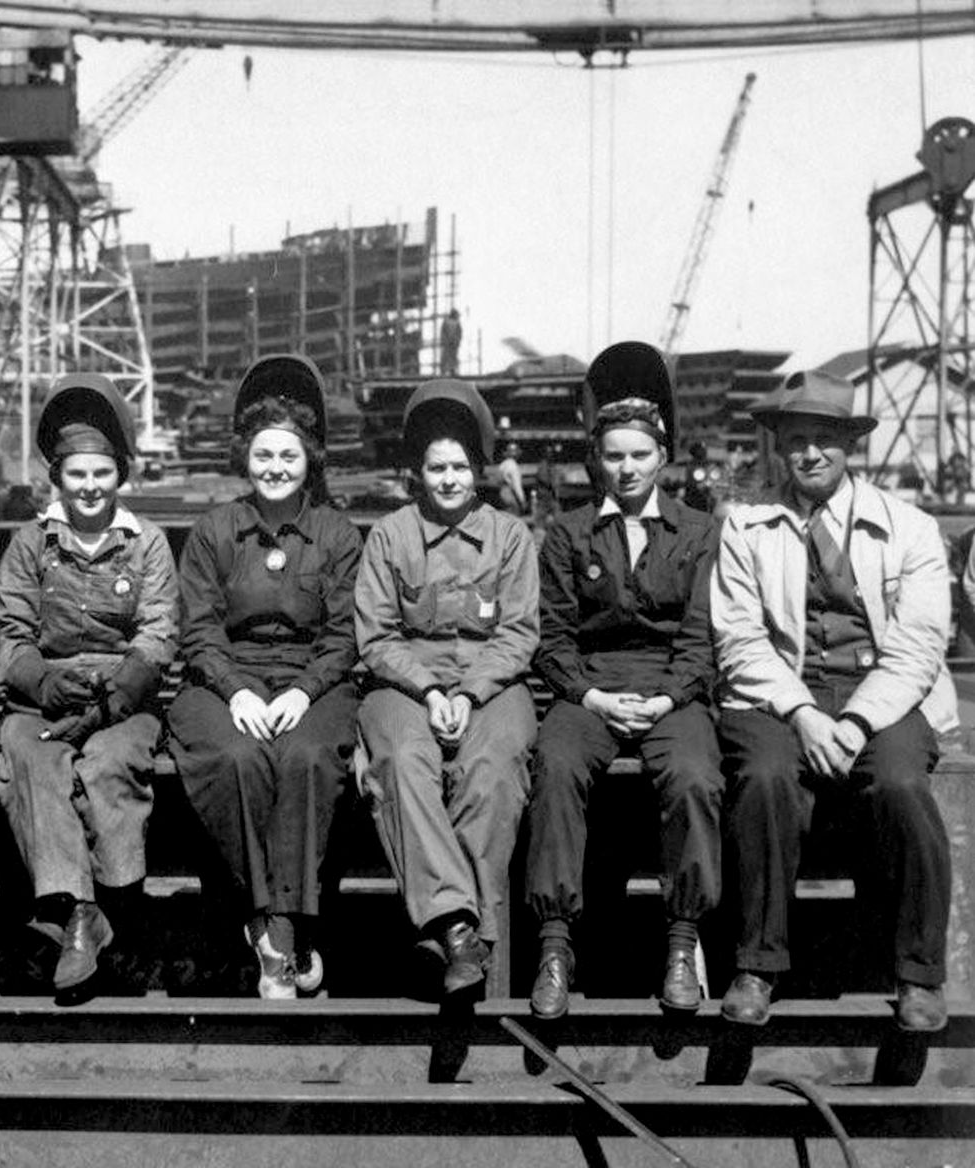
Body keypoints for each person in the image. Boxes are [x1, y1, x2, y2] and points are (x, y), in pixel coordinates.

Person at [711, 370, 956, 1032]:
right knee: (763, 779)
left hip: (883, 691)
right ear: (778, 448)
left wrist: (851, 721)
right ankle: (758, 966)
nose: (810, 453)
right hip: (778, 692)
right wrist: (803, 713)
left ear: (850, 446)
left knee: (902, 784)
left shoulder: (909, 528)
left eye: (824, 439)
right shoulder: (745, 527)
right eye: (796, 440)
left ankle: (919, 976)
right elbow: (739, 638)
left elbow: (918, 648)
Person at [524, 341, 723, 1020]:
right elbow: (552, 640)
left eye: (639, 454)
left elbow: (703, 636)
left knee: (694, 774)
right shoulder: (567, 534)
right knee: (554, 764)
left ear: (661, 457)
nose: (627, 468)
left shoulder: (699, 533)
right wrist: (591, 697)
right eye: (614, 455)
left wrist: (668, 697)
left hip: (675, 689)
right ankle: (555, 945)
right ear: (597, 459)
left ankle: (681, 940)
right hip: (592, 687)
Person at [168, 355, 362, 999]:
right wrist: (237, 690)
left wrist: (306, 691)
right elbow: (197, 629)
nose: (275, 468)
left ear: (310, 461)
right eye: (262, 455)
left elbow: (343, 634)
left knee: (309, 756)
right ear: (244, 459)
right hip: (225, 680)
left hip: (314, 680)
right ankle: (271, 927)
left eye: (288, 456)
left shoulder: (336, 534)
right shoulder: (214, 531)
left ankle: (284, 924)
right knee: (234, 757)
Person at [0, 373, 178, 996]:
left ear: (119, 474)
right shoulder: (30, 545)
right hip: (45, 695)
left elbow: (157, 634)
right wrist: (44, 686)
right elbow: (11, 636)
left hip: (124, 700)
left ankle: (119, 910)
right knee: (33, 758)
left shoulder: (146, 543)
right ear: (58, 479)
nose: (90, 487)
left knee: (108, 764)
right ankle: (76, 913)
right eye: (77, 475)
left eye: (102, 473)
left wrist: (113, 699)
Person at [355, 380, 539, 1000]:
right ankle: (462, 927)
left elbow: (518, 634)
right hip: (405, 683)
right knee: (401, 761)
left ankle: (455, 938)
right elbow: (377, 637)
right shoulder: (391, 536)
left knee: (495, 766)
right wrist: (433, 691)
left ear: (479, 471)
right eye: (436, 468)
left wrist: (472, 692)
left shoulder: (511, 537)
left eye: (460, 466)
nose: (449, 479)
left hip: (494, 682)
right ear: (418, 472)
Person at [496, 441, 526, 515]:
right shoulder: (513, 466)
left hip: (502, 493)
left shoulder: (502, 465)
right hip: (510, 495)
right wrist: (522, 500)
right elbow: (516, 486)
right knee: (513, 519)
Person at [439, 309, 463, 377]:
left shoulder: (448, 322)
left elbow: (459, 333)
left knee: (449, 357)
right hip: (450, 344)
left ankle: (449, 371)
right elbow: (459, 334)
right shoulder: (454, 323)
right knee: (449, 357)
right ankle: (448, 371)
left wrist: (455, 341)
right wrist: (456, 341)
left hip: (450, 344)